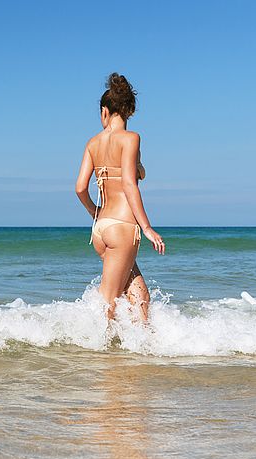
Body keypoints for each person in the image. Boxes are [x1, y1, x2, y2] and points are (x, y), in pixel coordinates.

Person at [75, 73, 165, 322]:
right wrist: (146, 227)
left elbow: (80, 188)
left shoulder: (93, 143)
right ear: (130, 111)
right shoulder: (131, 139)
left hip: (101, 228)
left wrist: (95, 211)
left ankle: (140, 347)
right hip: (124, 227)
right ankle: (87, 348)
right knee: (107, 301)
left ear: (105, 111)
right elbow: (128, 183)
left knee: (139, 293)